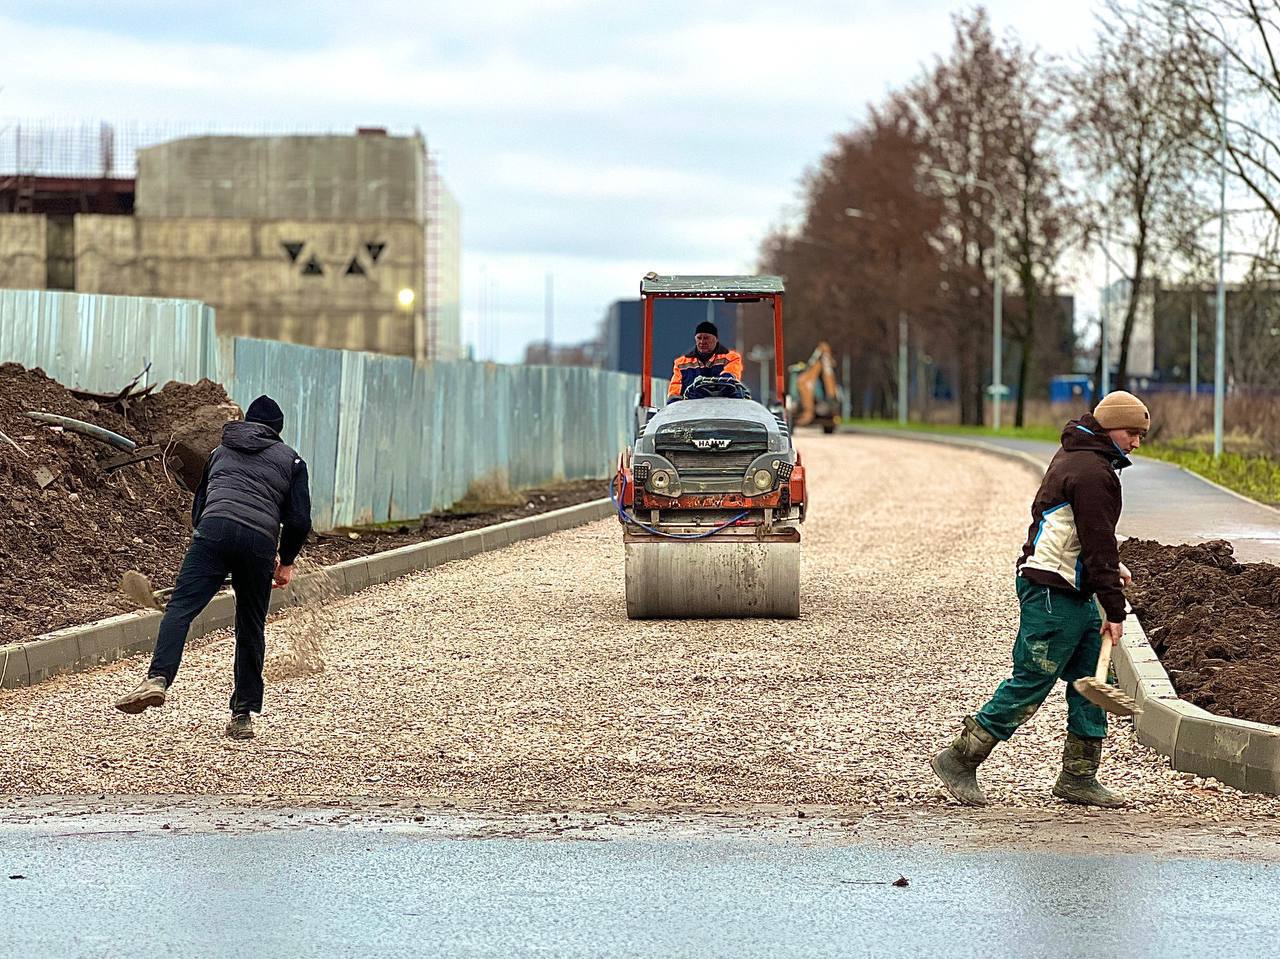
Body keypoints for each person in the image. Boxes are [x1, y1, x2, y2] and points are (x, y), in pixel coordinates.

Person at [930, 390, 1151, 808]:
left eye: (1140, 435)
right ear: (1110, 428)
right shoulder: (1092, 472)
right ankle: (959, 759)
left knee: (1091, 682)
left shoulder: (1083, 457)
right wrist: (1115, 608)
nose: (1136, 442)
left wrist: (1108, 567)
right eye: (1132, 433)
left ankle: (1078, 777)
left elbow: (1079, 532)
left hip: (1070, 585)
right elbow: (1096, 540)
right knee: (1033, 678)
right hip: (1053, 590)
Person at [114, 395, 313, 740]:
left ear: (246, 422)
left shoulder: (220, 452)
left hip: (213, 531)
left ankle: (158, 678)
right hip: (258, 543)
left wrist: (213, 548)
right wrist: (286, 561)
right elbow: (298, 520)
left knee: (180, 609)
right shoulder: (292, 460)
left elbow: (200, 508)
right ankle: (242, 715)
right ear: (277, 431)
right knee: (250, 627)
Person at [667, 320, 744, 401]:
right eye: (699, 338)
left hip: (725, 404)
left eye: (706, 338)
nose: (702, 342)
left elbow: (730, 378)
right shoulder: (681, 363)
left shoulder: (732, 358)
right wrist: (674, 400)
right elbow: (674, 392)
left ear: (716, 339)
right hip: (692, 406)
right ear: (695, 339)